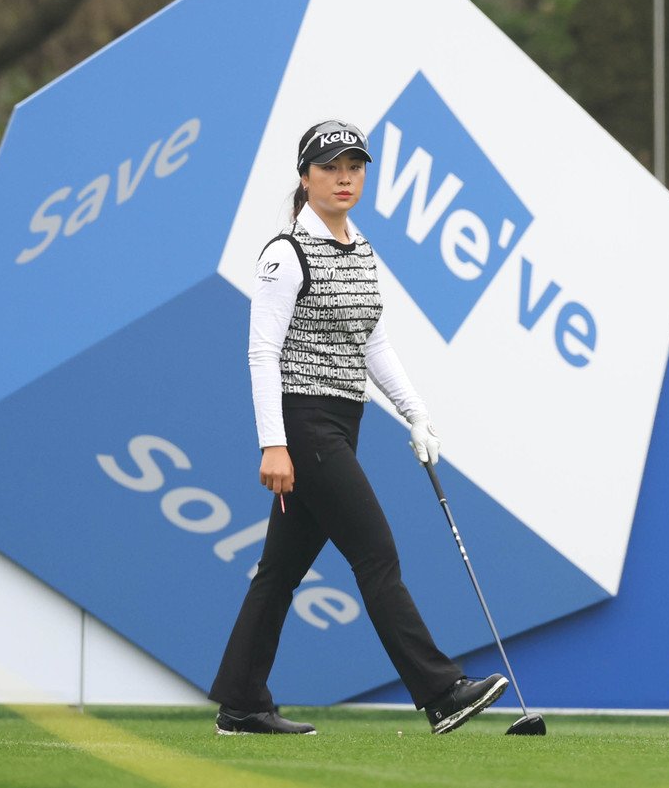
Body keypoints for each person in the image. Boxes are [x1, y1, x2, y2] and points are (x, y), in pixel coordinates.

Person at [209, 119, 508, 736]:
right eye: (330, 167)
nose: (344, 177)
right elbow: (262, 353)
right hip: (305, 423)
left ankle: (241, 701)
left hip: (342, 421)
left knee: (279, 573)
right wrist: (274, 443)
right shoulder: (284, 254)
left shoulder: (362, 248)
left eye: (354, 166)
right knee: (376, 554)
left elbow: (372, 341)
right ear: (305, 176)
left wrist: (416, 411)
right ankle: (441, 689)